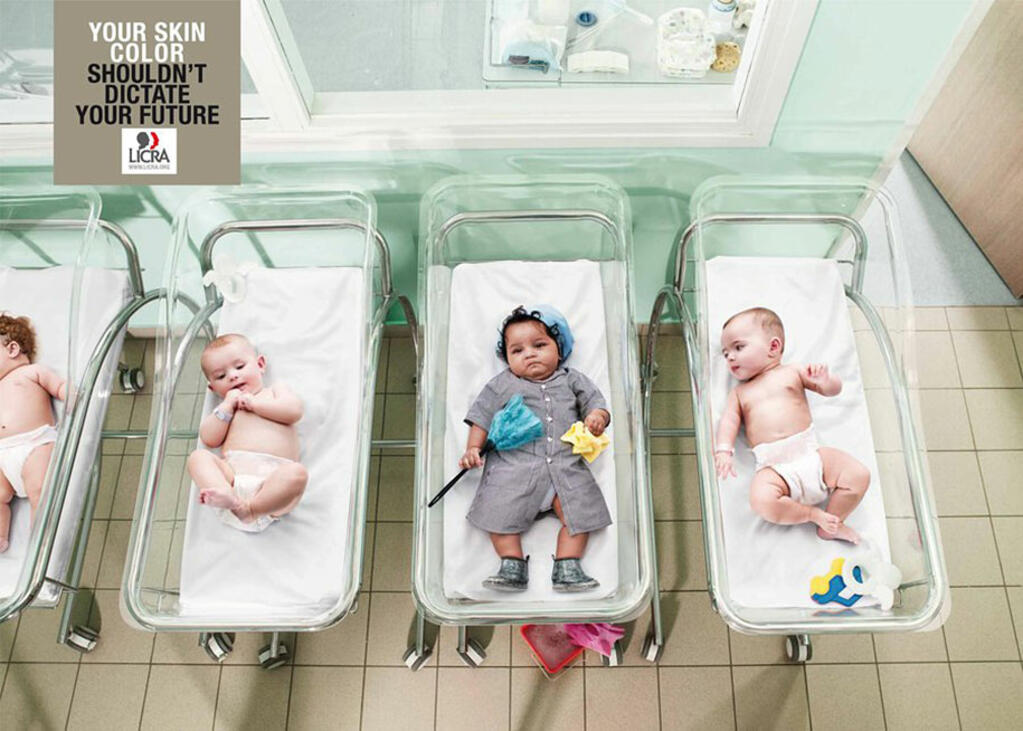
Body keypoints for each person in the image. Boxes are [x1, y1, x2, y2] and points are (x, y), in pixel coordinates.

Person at [460, 305, 612, 592]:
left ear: (559, 348)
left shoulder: (572, 379)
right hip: (514, 471)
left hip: (564, 470)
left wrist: (597, 418)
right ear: (506, 358)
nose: (529, 354)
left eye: (539, 345)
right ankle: (511, 564)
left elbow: (596, 403)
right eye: (517, 351)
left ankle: (568, 565)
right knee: (497, 513)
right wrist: (473, 448)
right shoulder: (504, 383)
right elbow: (482, 416)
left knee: (580, 513)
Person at [714, 307, 869, 543]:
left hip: (812, 455)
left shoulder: (792, 371)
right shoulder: (739, 393)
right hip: (774, 468)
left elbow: (833, 390)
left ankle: (834, 522)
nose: (730, 357)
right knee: (761, 501)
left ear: (773, 347)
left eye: (738, 347)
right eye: (725, 354)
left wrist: (826, 381)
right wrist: (724, 450)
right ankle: (812, 515)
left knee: (858, 475)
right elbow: (729, 421)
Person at [187, 333, 308, 532]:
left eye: (240, 367)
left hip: (272, 485)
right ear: (213, 387)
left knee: (297, 474)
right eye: (221, 376)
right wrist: (226, 406)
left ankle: (251, 509)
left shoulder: (275, 391)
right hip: (233, 477)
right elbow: (209, 439)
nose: (232, 376)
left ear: (260, 364)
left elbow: (294, 412)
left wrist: (256, 405)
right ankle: (224, 494)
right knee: (197, 457)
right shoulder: (227, 409)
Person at [0, 314, 67, 552]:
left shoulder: (31, 372)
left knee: (39, 488)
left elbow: (59, 385)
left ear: (12, 349)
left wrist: (69, 394)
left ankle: (39, 540)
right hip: (3, 453)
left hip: (35, 443)